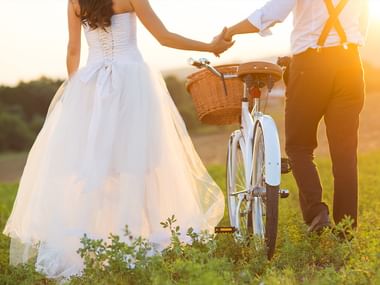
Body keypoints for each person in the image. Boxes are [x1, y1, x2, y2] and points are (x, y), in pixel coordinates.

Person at [3, 0, 233, 279]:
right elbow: (164, 37)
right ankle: (145, 237)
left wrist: (76, 95)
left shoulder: (75, 1)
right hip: (132, 82)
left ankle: (101, 240)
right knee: (142, 164)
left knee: (100, 166)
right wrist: (210, 47)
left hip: (93, 84)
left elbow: (73, 50)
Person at [222, 0, 368, 233]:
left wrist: (229, 32)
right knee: (345, 153)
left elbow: (270, 14)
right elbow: (363, 21)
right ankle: (345, 229)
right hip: (350, 65)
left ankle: (316, 213)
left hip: (312, 65)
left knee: (299, 146)